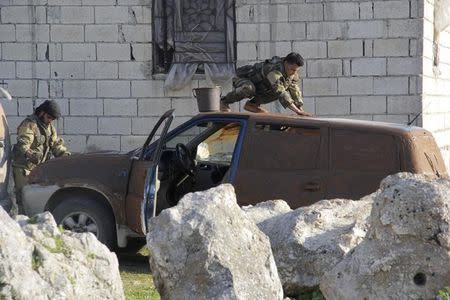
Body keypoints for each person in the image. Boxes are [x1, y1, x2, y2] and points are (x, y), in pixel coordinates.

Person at [12, 100, 70, 214]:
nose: (50, 121)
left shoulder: (49, 128)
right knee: (24, 201)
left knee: (37, 200)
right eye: (49, 117)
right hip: (24, 169)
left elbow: (56, 146)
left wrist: (66, 156)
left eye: (52, 119)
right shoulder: (30, 124)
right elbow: (23, 144)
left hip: (38, 169)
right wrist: (30, 154)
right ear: (42, 113)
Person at [221, 52, 312, 116]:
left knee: (279, 90)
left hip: (259, 86)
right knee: (248, 88)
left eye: (296, 70)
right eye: (292, 69)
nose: (293, 72)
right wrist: (297, 111)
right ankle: (224, 101)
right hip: (243, 79)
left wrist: (300, 109)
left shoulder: (292, 73)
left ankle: (252, 104)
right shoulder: (273, 70)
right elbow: (280, 92)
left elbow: (294, 91)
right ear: (286, 63)